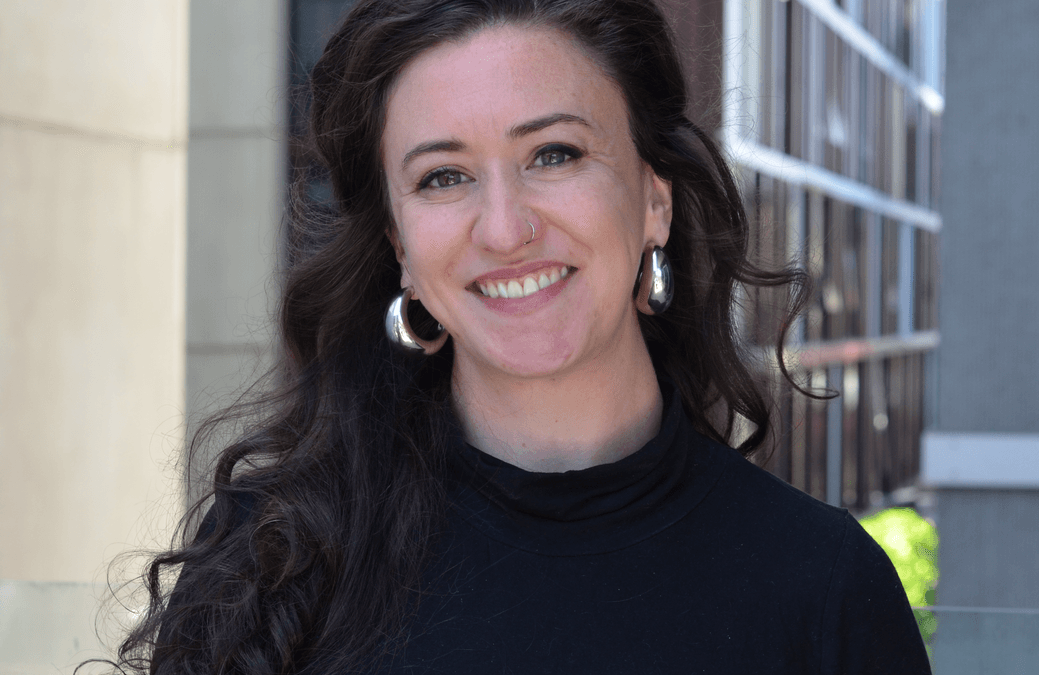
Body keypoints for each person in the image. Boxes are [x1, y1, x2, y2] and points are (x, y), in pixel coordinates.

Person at [112, 0, 932, 673]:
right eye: (444, 176)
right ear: (400, 245)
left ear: (655, 199)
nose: (504, 228)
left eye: (554, 153)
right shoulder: (274, 556)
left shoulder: (825, 590)